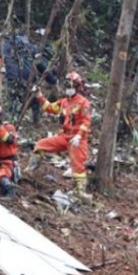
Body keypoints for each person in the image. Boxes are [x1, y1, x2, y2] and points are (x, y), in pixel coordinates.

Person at [26, 71, 93, 201]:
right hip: (64, 136)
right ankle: (30, 170)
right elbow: (50, 108)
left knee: (78, 165)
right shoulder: (64, 102)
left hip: (78, 139)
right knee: (41, 145)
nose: (68, 88)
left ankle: (80, 192)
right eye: (67, 85)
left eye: (71, 85)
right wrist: (39, 96)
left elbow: (86, 122)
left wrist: (79, 136)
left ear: (77, 87)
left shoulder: (84, 103)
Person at [3, 34, 58, 123]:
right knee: (34, 99)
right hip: (27, 79)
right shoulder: (31, 49)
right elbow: (41, 65)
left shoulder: (6, 48)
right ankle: (33, 121)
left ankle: (13, 120)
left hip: (12, 81)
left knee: (15, 102)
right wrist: (52, 79)